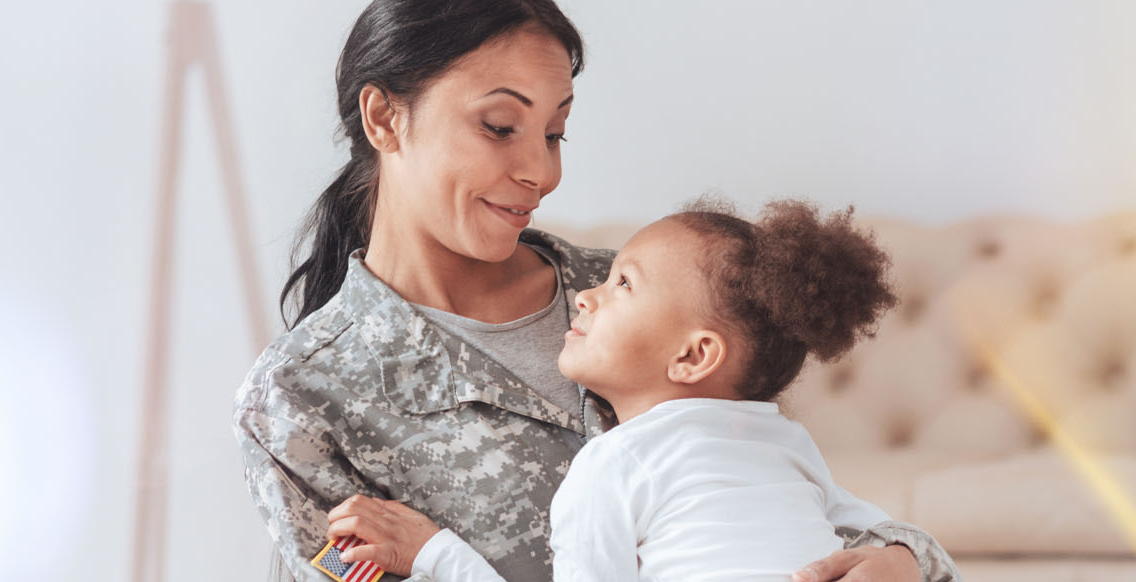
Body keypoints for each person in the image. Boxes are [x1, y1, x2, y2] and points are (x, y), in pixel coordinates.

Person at [232, 1, 957, 581]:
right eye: (500, 126)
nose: (541, 174)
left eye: (555, 134)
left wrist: (905, 560)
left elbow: (778, 494)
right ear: (386, 117)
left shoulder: (642, 294)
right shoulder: (299, 398)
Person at [328, 200, 951, 582]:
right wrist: (905, 555)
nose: (586, 292)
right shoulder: (785, 440)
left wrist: (435, 551)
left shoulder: (614, 463)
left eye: (623, 283)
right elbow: (882, 533)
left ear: (693, 355)